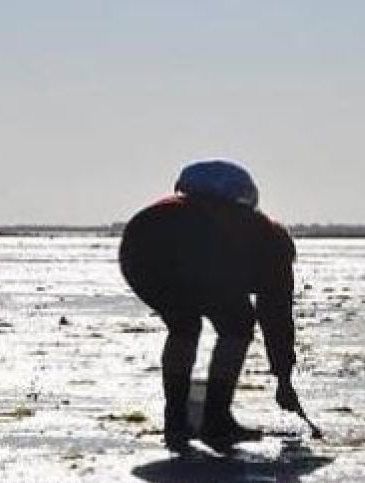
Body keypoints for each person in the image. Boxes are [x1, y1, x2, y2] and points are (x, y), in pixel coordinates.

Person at [119, 160, 305, 453]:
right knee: (238, 323)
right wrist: (283, 378)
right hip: (188, 250)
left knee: (183, 326)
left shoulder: (181, 212)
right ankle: (215, 419)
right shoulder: (271, 245)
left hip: (137, 248)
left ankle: (177, 420)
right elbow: (277, 318)